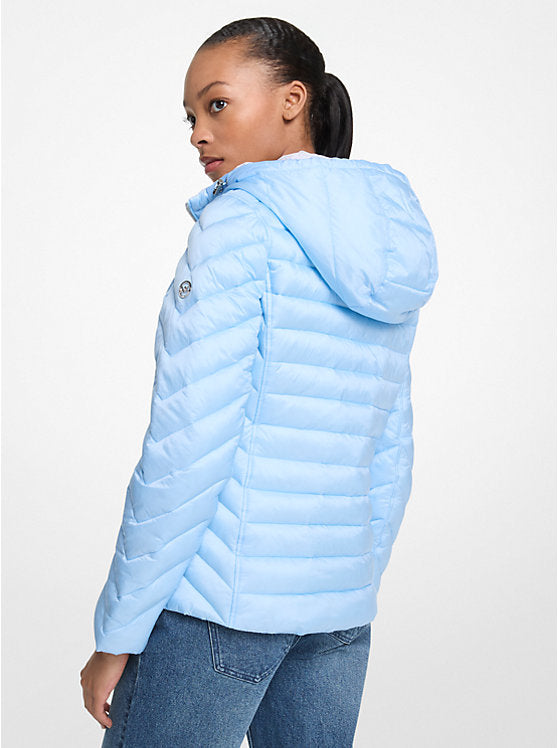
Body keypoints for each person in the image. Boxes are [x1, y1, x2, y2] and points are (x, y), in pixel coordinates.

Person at [80, 16, 439, 748]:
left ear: (292, 100)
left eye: (216, 104)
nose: (197, 134)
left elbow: (186, 448)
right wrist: (349, 579)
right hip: (337, 613)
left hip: (218, 610)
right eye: (190, 116)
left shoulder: (239, 226)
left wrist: (118, 629)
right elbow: (389, 442)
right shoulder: (386, 238)